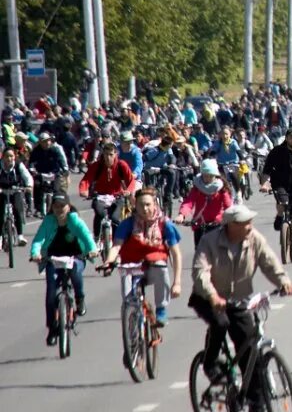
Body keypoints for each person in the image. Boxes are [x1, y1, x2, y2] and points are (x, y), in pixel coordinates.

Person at [189, 204, 292, 412]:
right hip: (209, 298)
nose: (250, 225)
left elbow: (269, 261)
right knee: (220, 322)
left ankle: (258, 406)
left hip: (238, 300)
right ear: (231, 225)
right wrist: (213, 296)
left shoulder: (254, 238)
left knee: (250, 352)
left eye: (250, 221)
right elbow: (200, 272)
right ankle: (210, 363)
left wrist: (283, 282)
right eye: (245, 222)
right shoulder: (209, 241)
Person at [101, 188, 183, 326]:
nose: (144, 209)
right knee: (128, 299)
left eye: (148, 204)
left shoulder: (165, 224)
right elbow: (116, 246)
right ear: (135, 205)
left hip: (154, 266)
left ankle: (161, 310)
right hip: (131, 265)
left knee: (161, 268)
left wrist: (177, 283)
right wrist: (108, 261)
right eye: (141, 205)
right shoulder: (127, 224)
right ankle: (132, 323)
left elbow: (176, 253)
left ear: (155, 204)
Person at [29, 195, 98, 345]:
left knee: (75, 273)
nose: (59, 209)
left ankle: (80, 298)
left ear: (68, 206)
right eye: (56, 206)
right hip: (53, 259)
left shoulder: (74, 220)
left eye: (62, 206)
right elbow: (38, 240)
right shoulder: (48, 221)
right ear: (52, 208)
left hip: (75, 257)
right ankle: (52, 329)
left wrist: (92, 249)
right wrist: (35, 253)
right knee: (51, 294)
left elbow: (86, 236)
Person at [79, 142, 136, 240]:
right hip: (100, 195)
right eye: (106, 154)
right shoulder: (97, 166)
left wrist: (129, 190)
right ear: (103, 154)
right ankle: (96, 238)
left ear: (115, 154)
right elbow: (86, 179)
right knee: (100, 214)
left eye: (111, 154)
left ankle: (116, 241)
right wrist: (83, 190)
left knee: (115, 218)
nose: (108, 157)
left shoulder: (121, 165)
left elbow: (131, 180)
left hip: (117, 196)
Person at [176, 159, 235, 247]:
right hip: (200, 225)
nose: (207, 178)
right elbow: (189, 202)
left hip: (217, 225)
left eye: (210, 176)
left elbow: (228, 205)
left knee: (219, 253)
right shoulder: (197, 188)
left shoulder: (221, 189)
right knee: (200, 255)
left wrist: (232, 217)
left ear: (215, 175)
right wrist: (182, 215)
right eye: (205, 176)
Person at [0, 147, 32, 247]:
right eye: (6, 156)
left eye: (11, 156)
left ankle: (20, 236)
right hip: (2, 191)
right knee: (0, 213)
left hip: (16, 190)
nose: (9, 159)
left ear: (14, 157)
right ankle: (0, 238)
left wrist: (29, 186)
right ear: (3, 157)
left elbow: (27, 176)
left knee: (17, 210)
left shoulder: (18, 165)